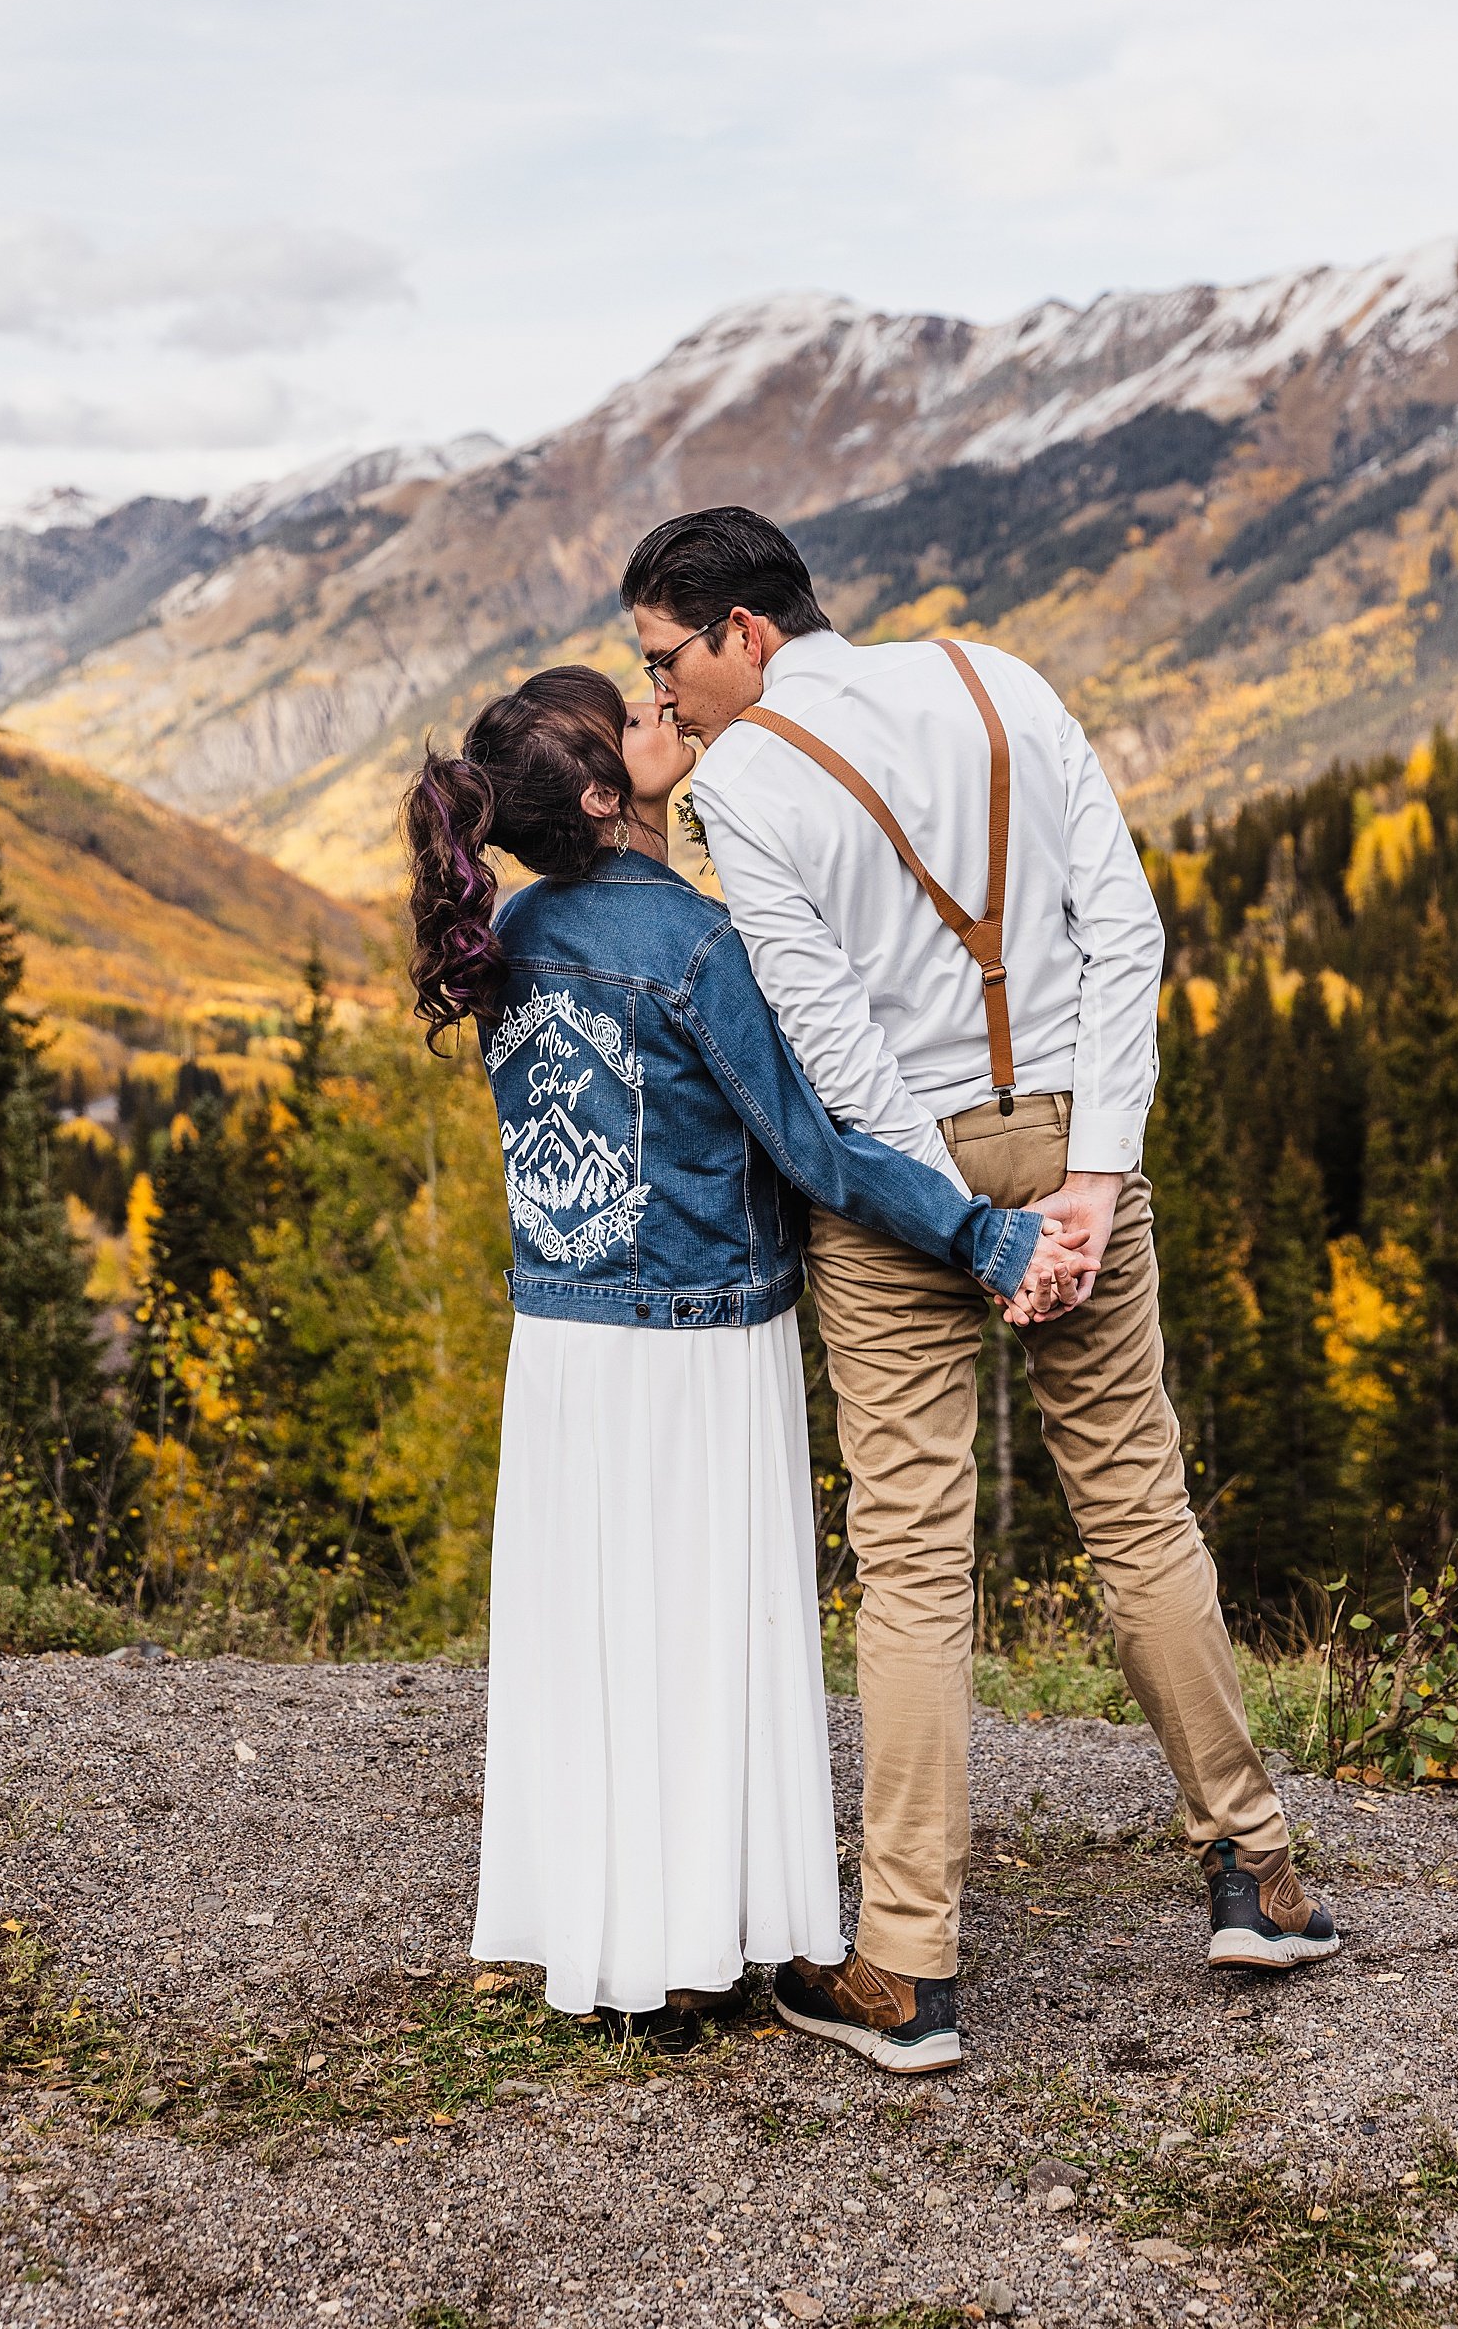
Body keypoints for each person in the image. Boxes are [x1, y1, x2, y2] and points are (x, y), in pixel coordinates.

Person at [620, 507, 1339, 2073]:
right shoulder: (1002, 679)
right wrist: (1087, 1179)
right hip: (1078, 1149)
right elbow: (1120, 935)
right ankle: (1260, 1877)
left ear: (743, 631)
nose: (660, 699)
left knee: (915, 1563)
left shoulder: (744, 783)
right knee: (1141, 1511)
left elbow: (832, 1042)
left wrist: (958, 1226)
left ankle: (911, 1968)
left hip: (902, 1197)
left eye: (665, 659)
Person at [401, 665, 1096, 2059]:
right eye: (633, 717)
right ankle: (706, 1937)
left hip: (563, 1340)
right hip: (704, 1341)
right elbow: (820, 1150)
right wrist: (984, 1238)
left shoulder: (507, 936)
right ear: (607, 794)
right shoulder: (701, 948)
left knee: (597, 1640)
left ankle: (617, 1948)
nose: (662, 718)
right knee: (706, 1632)